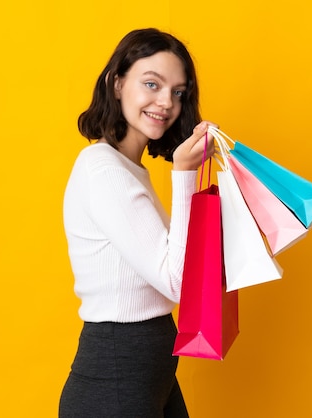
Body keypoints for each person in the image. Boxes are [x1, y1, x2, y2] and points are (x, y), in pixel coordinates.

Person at [59, 28, 216, 418]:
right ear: (117, 83)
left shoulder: (129, 170)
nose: (166, 102)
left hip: (148, 372)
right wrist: (184, 175)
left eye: (178, 92)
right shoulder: (103, 171)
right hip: (116, 376)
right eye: (152, 83)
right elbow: (177, 281)